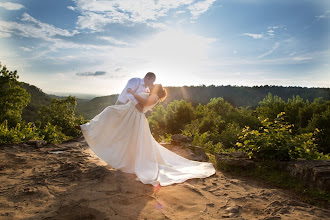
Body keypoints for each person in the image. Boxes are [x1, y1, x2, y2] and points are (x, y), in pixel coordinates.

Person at [79, 83, 215, 186]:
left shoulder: (154, 97)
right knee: (111, 115)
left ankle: (90, 129)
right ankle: (90, 127)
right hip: (130, 114)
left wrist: (132, 93)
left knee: (120, 127)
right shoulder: (152, 95)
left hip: (134, 117)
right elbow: (140, 104)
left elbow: (142, 105)